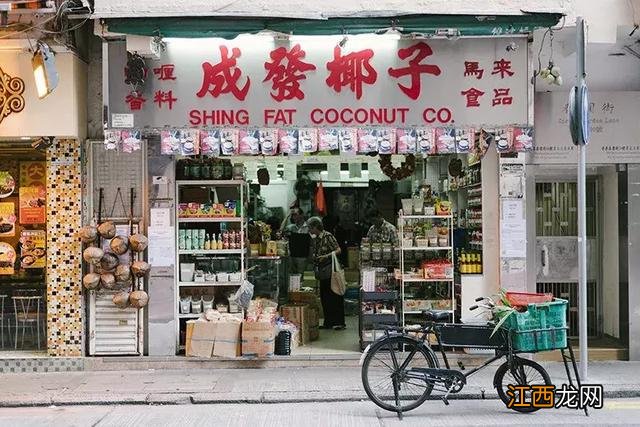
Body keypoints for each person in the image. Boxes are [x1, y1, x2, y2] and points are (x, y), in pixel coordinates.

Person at [308, 216, 345, 330]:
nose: (309, 230)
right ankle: (328, 322)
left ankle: (339, 322)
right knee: (325, 298)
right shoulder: (316, 239)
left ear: (315, 227)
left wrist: (326, 256)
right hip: (322, 272)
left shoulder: (328, 236)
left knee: (334, 295)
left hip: (330, 271)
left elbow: (338, 250)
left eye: (310, 227)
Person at [282, 208, 310, 275]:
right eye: (292, 215)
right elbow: (281, 231)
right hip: (292, 257)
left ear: (301, 215)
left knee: (301, 277)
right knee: (292, 277)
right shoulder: (291, 228)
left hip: (303, 257)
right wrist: (286, 217)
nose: (293, 217)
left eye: (295, 215)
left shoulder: (308, 227)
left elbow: (313, 242)